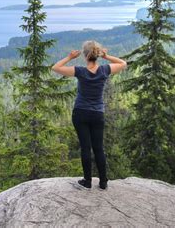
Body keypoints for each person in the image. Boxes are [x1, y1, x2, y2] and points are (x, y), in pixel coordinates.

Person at [51, 40, 127, 190]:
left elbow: (55, 68)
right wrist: (107, 56)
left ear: (85, 56)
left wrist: (69, 57)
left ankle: (87, 181)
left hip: (80, 113)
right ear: (97, 55)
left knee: (86, 148)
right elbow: (123, 63)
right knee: (98, 148)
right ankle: (103, 181)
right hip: (97, 114)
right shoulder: (105, 70)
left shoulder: (80, 71)